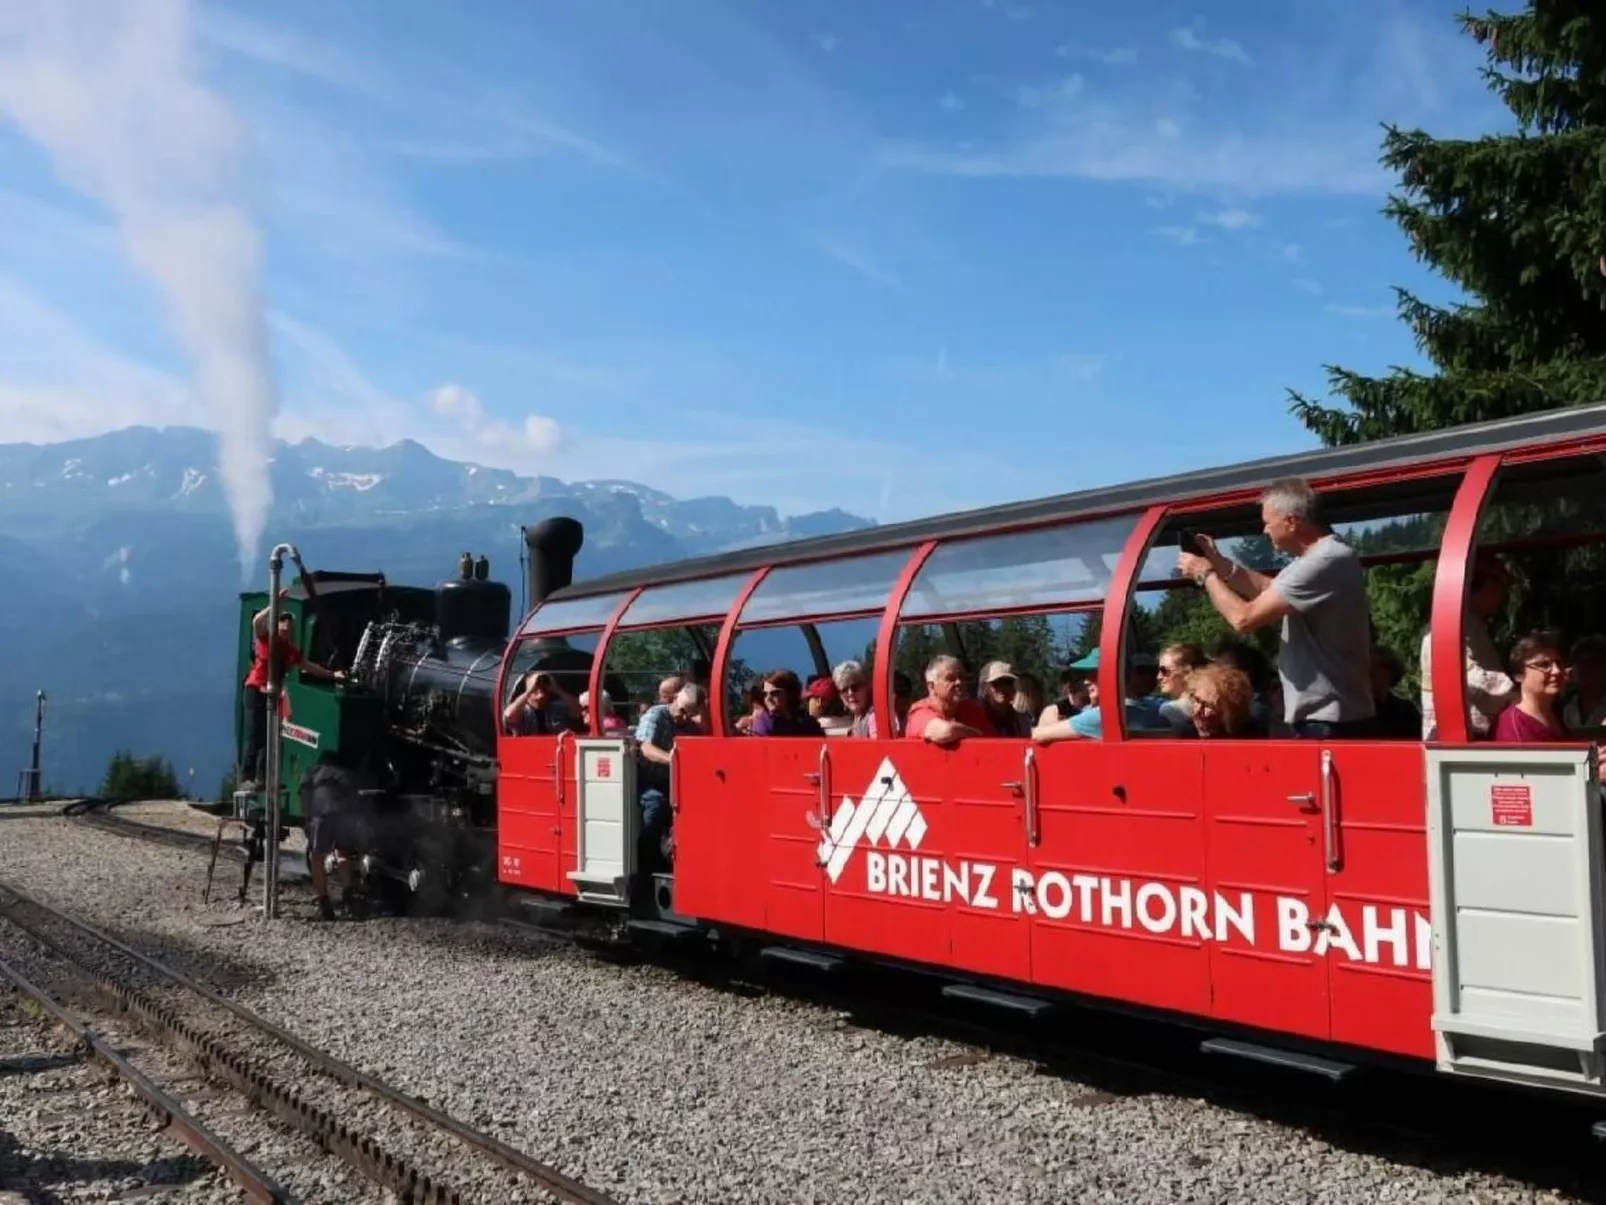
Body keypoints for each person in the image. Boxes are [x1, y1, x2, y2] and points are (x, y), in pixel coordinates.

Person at [1176, 478, 1375, 738]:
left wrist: (1206, 575)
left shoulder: (1325, 559)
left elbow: (1243, 619)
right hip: (1326, 717)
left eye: (1268, 522)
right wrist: (1219, 563)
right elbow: (1267, 589)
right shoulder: (1318, 558)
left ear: (1291, 521)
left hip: (1329, 720)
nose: (1265, 530)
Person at [240, 591, 344, 789]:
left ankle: (263, 779)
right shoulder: (265, 639)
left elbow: (308, 666)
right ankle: (246, 776)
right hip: (255, 690)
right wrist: (274, 604)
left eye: (289, 627)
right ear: (276, 625)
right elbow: (256, 622)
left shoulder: (289, 650)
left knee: (270, 738)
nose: (286, 629)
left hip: (272, 694)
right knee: (255, 735)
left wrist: (332, 675)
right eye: (283, 625)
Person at [1419, 550, 1516, 739]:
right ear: (1484, 585)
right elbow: (1467, 674)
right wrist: (1518, 693)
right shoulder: (1450, 624)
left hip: (1471, 730)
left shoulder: (1470, 623)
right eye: (1500, 588)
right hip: (1461, 733)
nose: (1502, 596)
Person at [634, 684, 707, 872]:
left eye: (690, 714)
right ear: (674, 699)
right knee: (655, 802)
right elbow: (645, 748)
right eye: (682, 711)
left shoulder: (691, 727)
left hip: (674, 783)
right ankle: (646, 862)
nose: (684, 718)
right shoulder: (655, 715)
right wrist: (672, 760)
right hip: (644, 780)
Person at [1029, 649, 1172, 741]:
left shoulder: (1102, 716)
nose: (1086, 681)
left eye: (1093, 675)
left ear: (1113, 675)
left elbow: (1038, 735)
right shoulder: (1155, 709)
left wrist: (1049, 715)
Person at [904, 655, 993, 744]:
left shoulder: (972, 709)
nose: (959, 682)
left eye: (961, 677)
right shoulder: (919, 712)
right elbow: (945, 732)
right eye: (950, 679)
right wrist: (976, 733)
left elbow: (993, 740)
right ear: (931, 686)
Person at [1184, 663, 1255, 739]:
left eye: (1208, 705)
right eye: (1196, 700)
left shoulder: (1251, 739)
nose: (1197, 711)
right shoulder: (1183, 734)